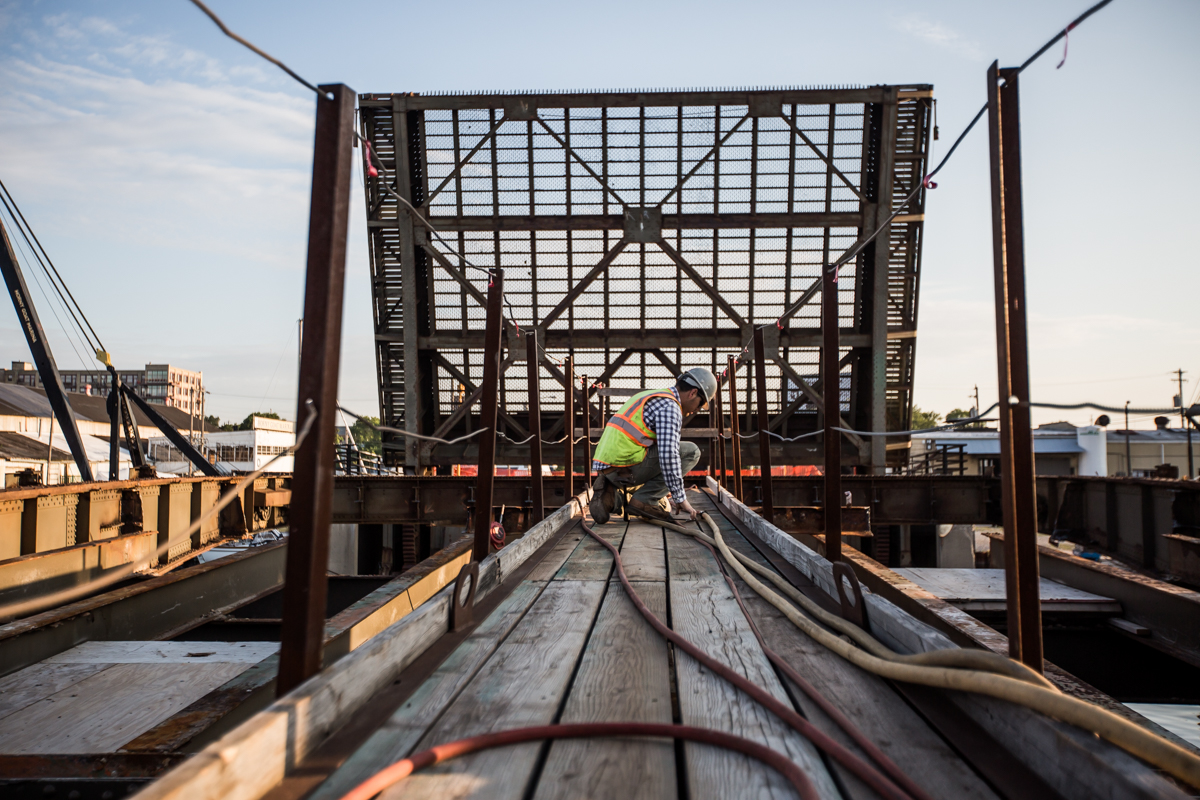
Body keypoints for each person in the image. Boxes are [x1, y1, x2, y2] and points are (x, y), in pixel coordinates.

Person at [588, 367, 718, 523]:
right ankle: (645, 501)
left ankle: (611, 497)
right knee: (692, 451)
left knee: (662, 503)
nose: (697, 410)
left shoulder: (650, 395)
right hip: (626, 467)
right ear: (692, 393)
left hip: (610, 468)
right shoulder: (671, 407)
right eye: (700, 404)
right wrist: (681, 499)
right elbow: (669, 456)